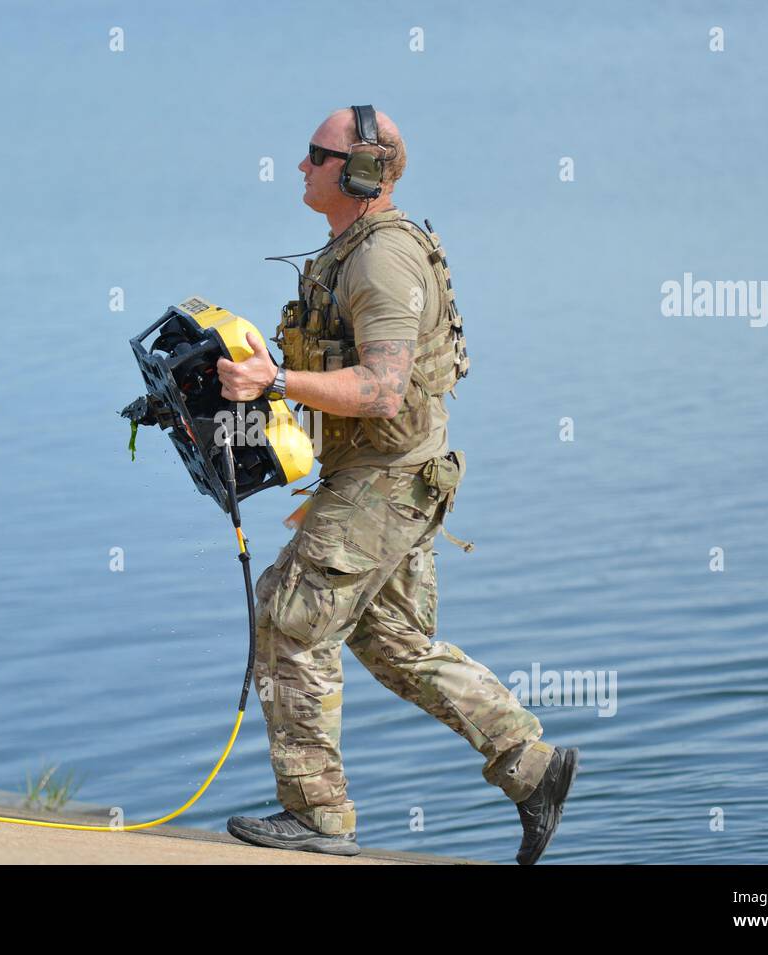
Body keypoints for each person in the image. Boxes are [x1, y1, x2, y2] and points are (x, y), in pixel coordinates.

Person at [215, 106, 578, 863]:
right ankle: (531, 766)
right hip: (384, 475)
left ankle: (318, 816)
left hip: (390, 478)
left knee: (289, 621)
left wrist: (276, 378)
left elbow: (382, 389)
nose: (301, 166)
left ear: (362, 172)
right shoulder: (348, 249)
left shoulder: (382, 259)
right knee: (393, 642)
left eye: (316, 155)